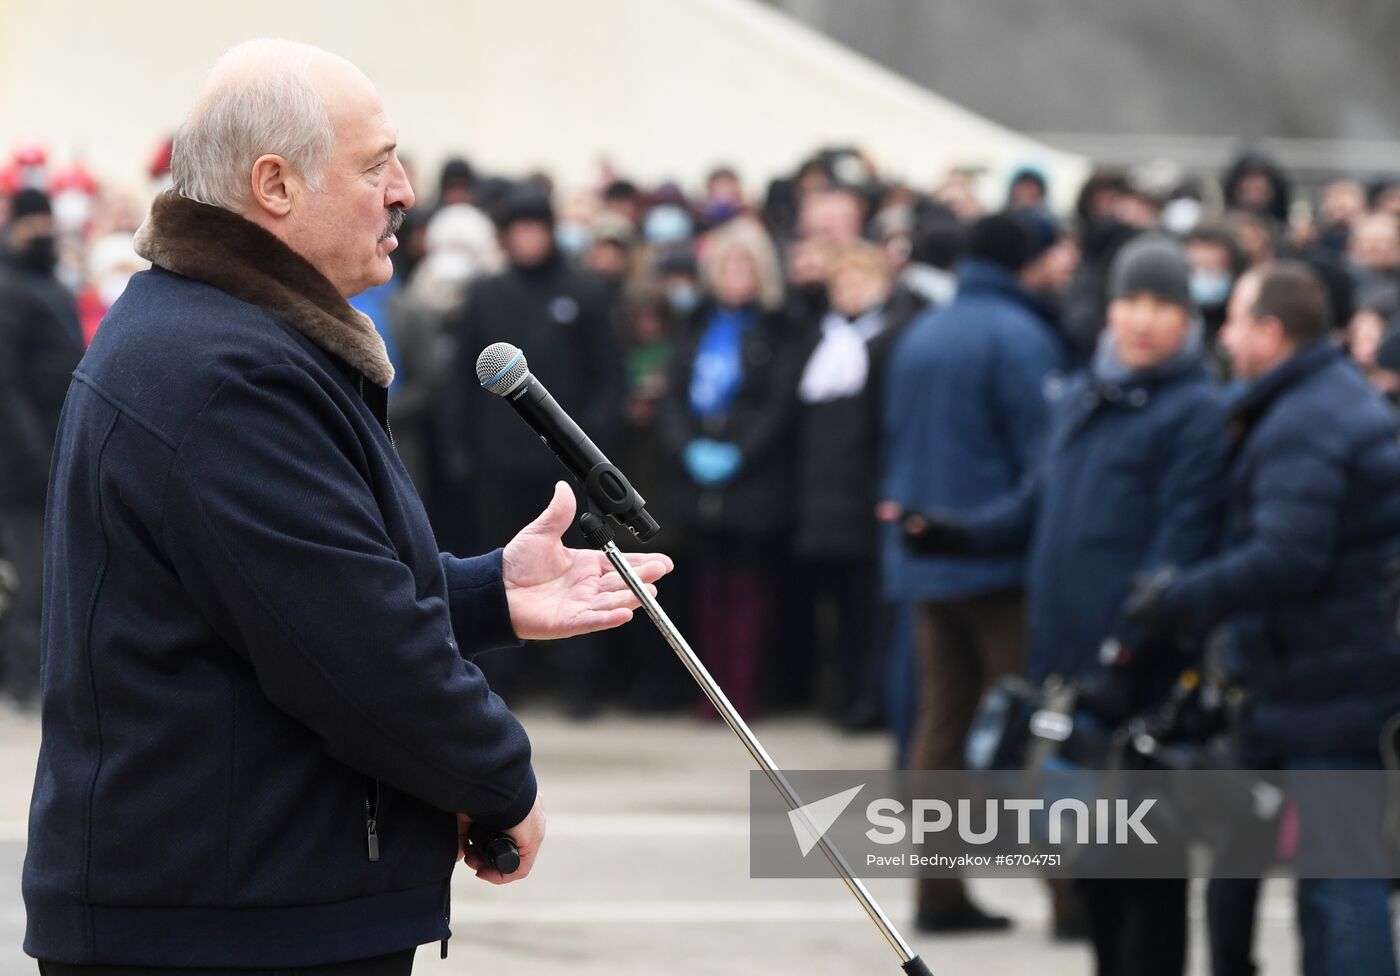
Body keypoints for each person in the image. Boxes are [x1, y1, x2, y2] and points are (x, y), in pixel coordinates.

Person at [22, 40, 671, 974]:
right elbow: (350, 650)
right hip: (224, 923)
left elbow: (292, 594)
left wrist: (489, 592)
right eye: (376, 165)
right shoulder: (225, 370)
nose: (405, 188)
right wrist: (497, 777)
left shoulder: (218, 335)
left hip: (232, 899)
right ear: (275, 185)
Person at [903, 235, 1228, 974]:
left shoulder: (1194, 412)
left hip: (1139, 682)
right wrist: (951, 533)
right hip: (1070, 670)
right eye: (1130, 301)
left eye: (1162, 304)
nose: (1143, 320)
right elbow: (1033, 508)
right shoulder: (1087, 394)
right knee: (1094, 869)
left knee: (1148, 874)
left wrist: (1126, 652)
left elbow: (1175, 551)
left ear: (1187, 317)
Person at [1130, 262, 1400, 976]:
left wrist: (1179, 598)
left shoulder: (1307, 418)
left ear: (1272, 332)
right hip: (1311, 678)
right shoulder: (1313, 398)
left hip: (1328, 682)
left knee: (1342, 881)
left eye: (1238, 320)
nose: (1225, 334)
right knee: (1294, 869)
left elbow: (1287, 556)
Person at [880, 212, 1067, 933]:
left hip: (929, 561)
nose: (1064, 265)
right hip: (999, 566)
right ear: (1027, 260)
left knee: (943, 728)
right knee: (1034, 731)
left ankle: (937, 892)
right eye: (1054, 253)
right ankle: (1073, 899)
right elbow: (1044, 466)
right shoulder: (1021, 337)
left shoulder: (923, 331)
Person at [441, 185, 625, 716]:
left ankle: (579, 682)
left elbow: (609, 375)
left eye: (535, 228)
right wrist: (461, 447)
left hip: (566, 466)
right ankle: (504, 678)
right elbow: (460, 379)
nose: (526, 239)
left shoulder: (584, 292)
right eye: (516, 230)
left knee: (573, 562)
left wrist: (593, 448)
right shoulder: (488, 293)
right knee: (503, 564)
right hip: (499, 462)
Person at [658, 218, 803, 719]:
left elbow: (779, 406)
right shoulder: (697, 325)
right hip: (697, 480)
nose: (735, 275)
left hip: (754, 481)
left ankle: (742, 691)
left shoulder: (777, 329)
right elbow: (672, 398)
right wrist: (686, 449)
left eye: (745, 266)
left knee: (750, 590)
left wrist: (741, 452)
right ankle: (710, 690)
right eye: (727, 265)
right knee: (707, 586)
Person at [793, 241, 910, 730]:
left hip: (865, 495)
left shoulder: (890, 341)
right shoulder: (821, 339)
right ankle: (842, 694)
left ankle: (870, 698)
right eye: (842, 282)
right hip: (823, 495)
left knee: (869, 607)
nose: (851, 291)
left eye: (860, 281)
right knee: (836, 604)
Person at [0, 189, 84, 709]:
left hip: (56, 456)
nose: (42, 231)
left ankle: (42, 676)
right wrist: (35, 459)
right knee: (30, 584)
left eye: (46, 221)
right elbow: (6, 387)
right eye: (31, 222)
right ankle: (25, 682)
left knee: (51, 580)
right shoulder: (9, 290)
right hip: (24, 468)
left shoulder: (53, 284)